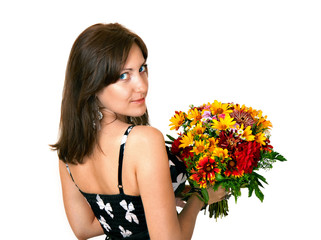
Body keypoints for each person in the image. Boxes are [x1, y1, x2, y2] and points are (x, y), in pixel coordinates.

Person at [51, 23, 227, 240]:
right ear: (92, 83)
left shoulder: (69, 152)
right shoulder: (144, 141)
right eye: (124, 76)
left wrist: (155, 204)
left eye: (141, 69)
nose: (142, 86)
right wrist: (200, 198)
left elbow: (84, 227)